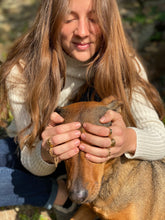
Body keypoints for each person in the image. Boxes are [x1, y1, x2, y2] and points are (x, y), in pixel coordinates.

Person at [0, 0, 165, 219]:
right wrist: (46, 152)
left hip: (99, 159)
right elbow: (30, 158)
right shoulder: (22, 70)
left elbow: (160, 139)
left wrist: (126, 139)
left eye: (94, 18)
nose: (83, 32)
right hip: (38, 157)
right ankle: (58, 196)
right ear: (52, 21)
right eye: (69, 19)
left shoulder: (122, 64)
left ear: (108, 20)